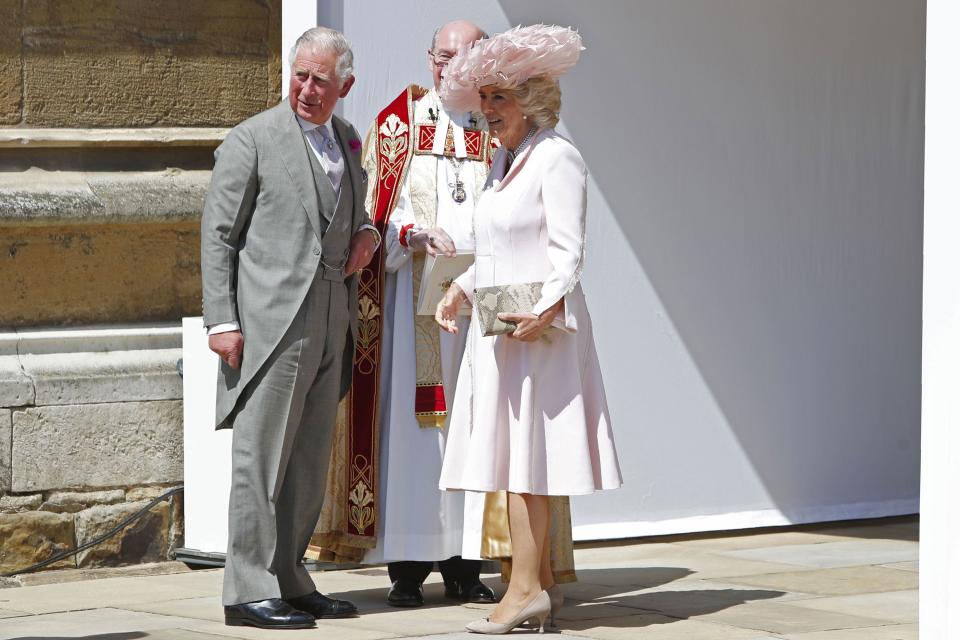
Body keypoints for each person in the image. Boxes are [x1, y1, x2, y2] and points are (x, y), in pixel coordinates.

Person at [435, 24, 623, 634]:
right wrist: (461, 290)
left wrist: (544, 309)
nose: (486, 111)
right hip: (501, 330)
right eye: (483, 98)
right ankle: (536, 586)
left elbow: (568, 252)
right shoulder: (503, 160)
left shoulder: (557, 156)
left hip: (538, 336)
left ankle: (523, 590)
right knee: (518, 464)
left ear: (532, 101)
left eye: (499, 99)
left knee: (528, 466)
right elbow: (493, 246)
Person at [201, 26, 380, 630]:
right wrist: (221, 320)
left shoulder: (349, 138)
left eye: (320, 80)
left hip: (333, 313)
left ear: (345, 86)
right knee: (260, 457)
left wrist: (368, 235)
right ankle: (246, 588)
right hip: (269, 322)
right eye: (299, 75)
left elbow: (358, 214)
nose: (306, 89)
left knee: (307, 459)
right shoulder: (252, 138)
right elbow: (219, 235)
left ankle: (290, 577)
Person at [356, 20, 498, 608]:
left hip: (480, 308)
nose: (444, 68)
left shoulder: (499, 127)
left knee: (477, 428)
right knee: (420, 432)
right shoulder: (397, 125)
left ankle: (466, 564)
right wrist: (409, 235)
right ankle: (409, 565)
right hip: (415, 304)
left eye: (456, 57)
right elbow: (368, 217)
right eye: (438, 57)